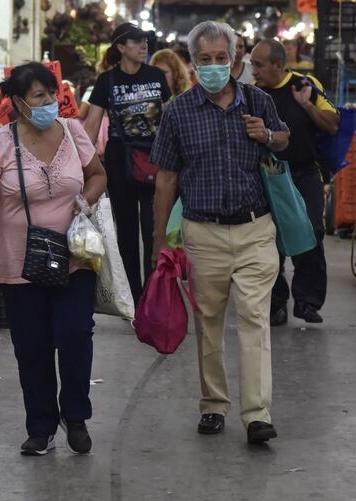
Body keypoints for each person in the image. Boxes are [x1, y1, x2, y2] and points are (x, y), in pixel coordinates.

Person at [150, 21, 290, 444]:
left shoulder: (259, 101)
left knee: (254, 320)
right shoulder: (178, 112)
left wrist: (265, 134)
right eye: (204, 60)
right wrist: (159, 241)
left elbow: (284, 139)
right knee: (208, 321)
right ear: (193, 64)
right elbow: (165, 180)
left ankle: (257, 414)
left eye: (221, 58)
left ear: (236, 59)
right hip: (202, 233)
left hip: (255, 231)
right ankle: (213, 404)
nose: (213, 67)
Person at [0, 62, 107, 456]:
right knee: (32, 346)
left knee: (76, 334)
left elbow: (98, 174)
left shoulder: (72, 131)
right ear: (17, 103)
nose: (48, 103)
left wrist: (85, 199)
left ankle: (75, 415)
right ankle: (41, 426)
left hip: (74, 254)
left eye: (51, 94)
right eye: (38, 97)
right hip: (19, 260)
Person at [250, 39, 339, 326]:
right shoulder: (252, 93)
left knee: (311, 232)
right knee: (270, 240)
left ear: (278, 64)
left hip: (305, 173)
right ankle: (276, 303)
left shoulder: (304, 84)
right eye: (253, 64)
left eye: (259, 65)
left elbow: (332, 124)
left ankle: (307, 301)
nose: (255, 70)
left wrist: (307, 106)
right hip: (267, 175)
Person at [84, 22, 172, 301]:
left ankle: (152, 292)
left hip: (154, 159)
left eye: (145, 40)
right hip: (120, 160)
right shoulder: (106, 81)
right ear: (121, 47)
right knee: (126, 231)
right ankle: (133, 293)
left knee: (153, 226)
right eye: (136, 41)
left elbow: (169, 117)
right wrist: (79, 160)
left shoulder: (157, 76)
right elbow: (92, 124)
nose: (143, 46)